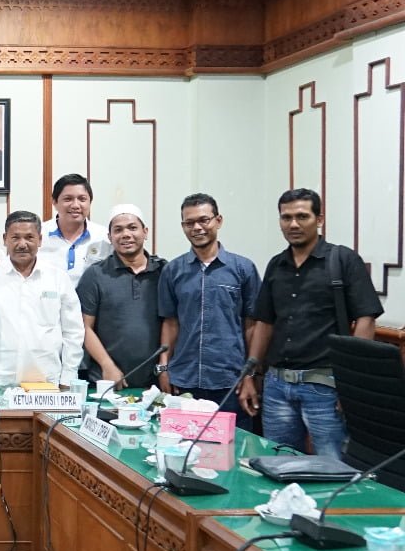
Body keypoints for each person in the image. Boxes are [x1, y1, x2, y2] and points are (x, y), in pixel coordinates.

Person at [241, 189, 383, 457]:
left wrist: (352, 385)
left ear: (319, 219)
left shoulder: (342, 260)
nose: (293, 224)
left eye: (302, 216)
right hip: (277, 386)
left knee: (332, 468)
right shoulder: (276, 265)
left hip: (326, 387)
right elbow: (264, 323)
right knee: (279, 464)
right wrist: (250, 375)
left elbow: (366, 318)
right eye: (286, 218)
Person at [156, 193, 260, 430]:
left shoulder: (243, 268)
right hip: (184, 379)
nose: (197, 228)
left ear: (218, 221)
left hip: (231, 381)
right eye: (189, 222)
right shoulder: (173, 270)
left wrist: (251, 375)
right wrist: (163, 368)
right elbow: (170, 323)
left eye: (204, 220)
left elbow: (252, 326)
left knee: (232, 446)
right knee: (182, 445)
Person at [0, 211, 84, 387]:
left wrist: (68, 376)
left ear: (40, 240)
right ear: (5, 239)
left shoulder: (57, 277)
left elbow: (73, 331)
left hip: (47, 379)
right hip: (0, 378)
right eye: (15, 237)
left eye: (29, 237)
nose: (22, 244)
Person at [76, 204, 166, 389]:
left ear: (145, 232)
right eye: (118, 230)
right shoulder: (95, 275)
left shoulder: (164, 272)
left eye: (132, 228)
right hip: (106, 381)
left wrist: (164, 366)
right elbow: (84, 327)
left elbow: (172, 323)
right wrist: (107, 365)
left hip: (154, 382)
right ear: (110, 237)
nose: (126, 234)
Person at [40, 173, 110, 285]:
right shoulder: (38, 234)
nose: (75, 205)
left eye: (82, 199)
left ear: (90, 202)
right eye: (68, 199)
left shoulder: (104, 237)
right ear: (54, 202)